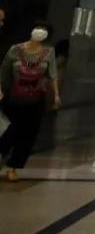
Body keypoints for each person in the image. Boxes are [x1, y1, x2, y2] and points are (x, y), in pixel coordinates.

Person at [0, 20, 61, 181]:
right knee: (9, 130)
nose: (40, 31)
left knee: (28, 134)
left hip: (36, 98)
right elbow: (4, 71)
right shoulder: (15, 49)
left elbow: (53, 74)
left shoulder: (48, 52)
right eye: (38, 28)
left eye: (44, 29)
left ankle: (13, 167)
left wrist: (56, 95)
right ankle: (1, 156)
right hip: (14, 97)